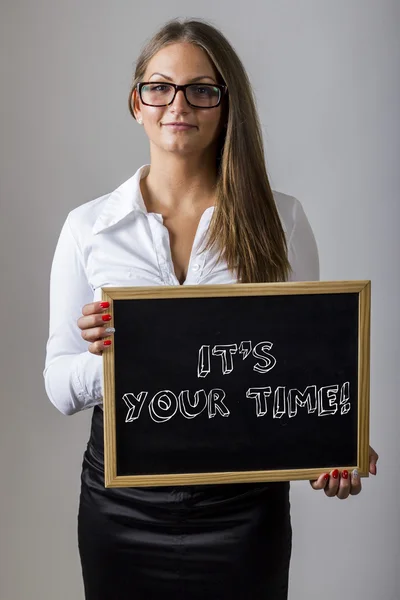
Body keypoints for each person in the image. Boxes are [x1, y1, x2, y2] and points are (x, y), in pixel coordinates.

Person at [44, 18, 378, 600]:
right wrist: (113, 359)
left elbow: (304, 373)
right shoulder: (88, 228)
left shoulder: (282, 219)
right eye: (160, 87)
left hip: (244, 510)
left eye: (202, 89)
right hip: (120, 506)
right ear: (136, 103)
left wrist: (334, 446)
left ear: (226, 106)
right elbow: (57, 382)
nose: (179, 104)